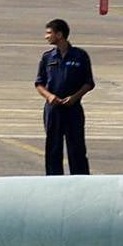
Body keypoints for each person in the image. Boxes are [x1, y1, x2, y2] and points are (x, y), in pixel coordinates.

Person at [34, 17, 94, 175]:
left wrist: (74, 97)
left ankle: (81, 179)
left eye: (49, 33)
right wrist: (49, 96)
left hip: (72, 108)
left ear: (59, 35)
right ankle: (53, 180)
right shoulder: (48, 57)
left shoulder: (80, 56)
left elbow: (88, 83)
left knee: (77, 148)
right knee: (53, 147)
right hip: (53, 109)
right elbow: (39, 83)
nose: (46, 37)